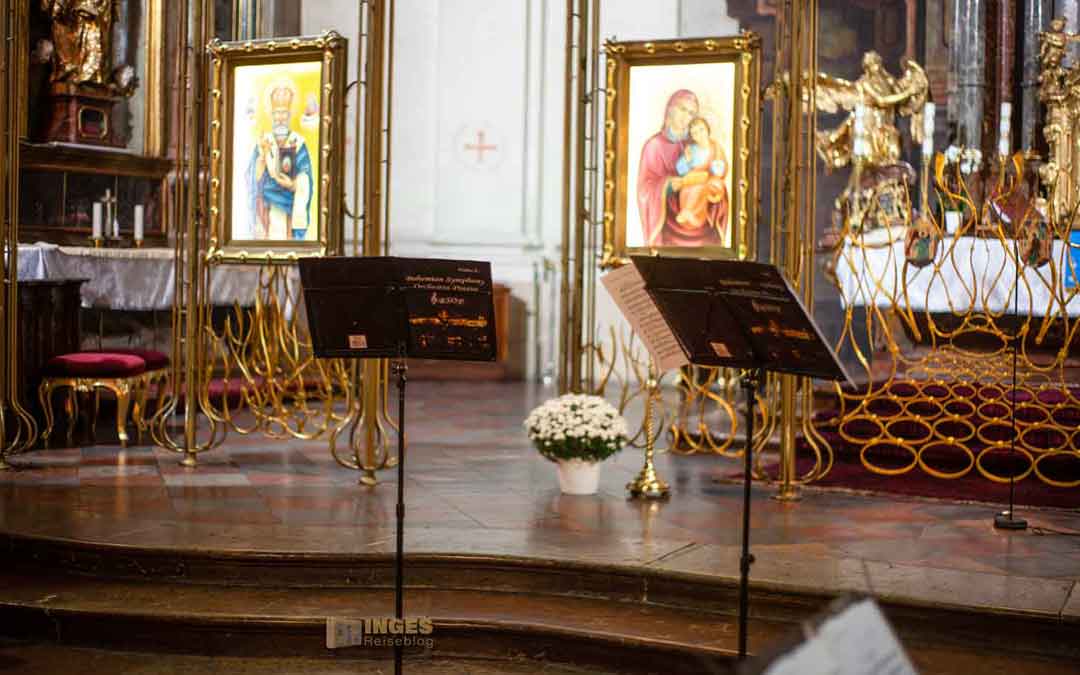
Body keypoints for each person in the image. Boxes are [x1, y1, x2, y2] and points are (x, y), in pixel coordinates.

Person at [636, 89, 727, 248]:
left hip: (702, 224)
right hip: (668, 227)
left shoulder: (697, 143)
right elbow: (644, 190)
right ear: (670, 109)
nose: (686, 116)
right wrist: (668, 186)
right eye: (683, 109)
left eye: (692, 113)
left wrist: (715, 186)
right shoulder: (654, 146)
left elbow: (717, 169)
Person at [247, 80, 314, 241]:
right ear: (271, 115)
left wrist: (292, 184)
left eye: (284, 112)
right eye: (277, 113)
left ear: (290, 114)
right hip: (266, 204)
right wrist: (262, 158)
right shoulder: (263, 141)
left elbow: (306, 176)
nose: (280, 118)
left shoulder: (298, 142)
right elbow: (251, 179)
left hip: (289, 203)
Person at [674, 117, 729, 237]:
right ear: (692, 136)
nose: (699, 134)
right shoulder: (691, 149)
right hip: (694, 179)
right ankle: (689, 215)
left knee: (700, 188)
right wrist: (687, 161)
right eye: (695, 133)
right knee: (686, 190)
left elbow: (721, 170)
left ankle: (692, 214)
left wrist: (717, 166)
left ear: (707, 130)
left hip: (711, 180)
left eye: (701, 130)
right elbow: (680, 169)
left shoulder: (716, 147)